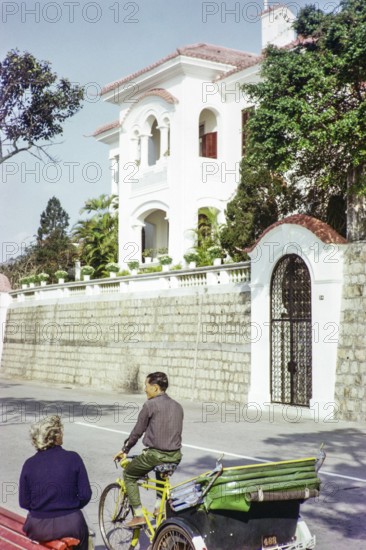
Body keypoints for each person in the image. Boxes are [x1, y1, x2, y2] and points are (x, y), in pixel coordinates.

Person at [113, 371, 183, 528]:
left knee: (129, 474)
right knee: (161, 472)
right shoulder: (178, 407)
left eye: (146, 385)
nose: (145, 389)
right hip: (175, 456)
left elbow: (138, 431)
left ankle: (138, 515)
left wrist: (125, 449)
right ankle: (159, 505)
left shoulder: (150, 405)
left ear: (155, 388)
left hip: (156, 455)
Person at [19, 415, 92, 550]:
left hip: (38, 527)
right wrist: (71, 506)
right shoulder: (73, 458)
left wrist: (43, 508)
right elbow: (85, 495)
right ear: (56, 437)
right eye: (60, 431)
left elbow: (24, 502)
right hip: (71, 524)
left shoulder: (29, 464)